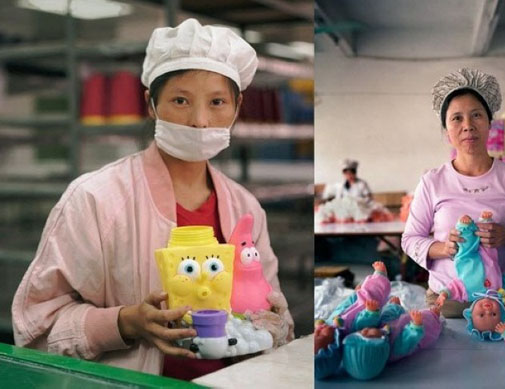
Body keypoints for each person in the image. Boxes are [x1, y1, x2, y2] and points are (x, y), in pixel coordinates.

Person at [11, 19, 294, 379]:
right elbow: (35, 327)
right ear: (150, 104)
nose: (200, 121)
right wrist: (124, 323)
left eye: (217, 102)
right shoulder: (96, 199)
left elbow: (273, 312)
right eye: (180, 100)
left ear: (237, 108)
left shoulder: (245, 208)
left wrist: (272, 325)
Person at [401, 68, 505, 318]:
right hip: (448, 300)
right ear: (446, 130)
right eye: (457, 118)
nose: (468, 126)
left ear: (489, 123)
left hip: (501, 301)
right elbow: (410, 239)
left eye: (476, 115)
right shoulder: (432, 181)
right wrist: (444, 248)